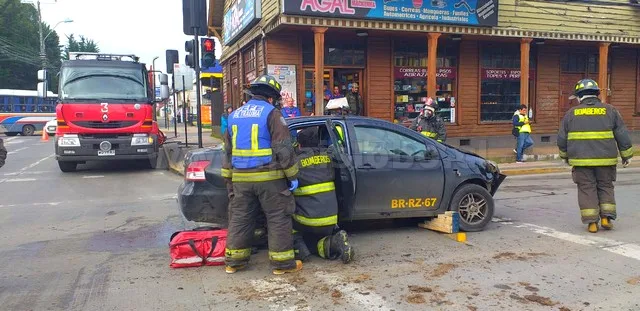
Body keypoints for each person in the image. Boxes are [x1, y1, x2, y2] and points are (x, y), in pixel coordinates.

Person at [221, 74, 302, 275]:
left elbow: (227, 152)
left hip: (240, 179)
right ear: (271, 97)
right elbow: (283, 149)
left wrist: (229, 180)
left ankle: (234, 262)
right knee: (278, 218)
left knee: (240, 217)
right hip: (270, 179)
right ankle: (282, 265)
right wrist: (292, 176)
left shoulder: (234, 116)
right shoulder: (272, 114)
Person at [557, 78, 633, 233]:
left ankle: (592, 223)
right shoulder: (610, 110)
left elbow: (562, 138)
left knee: (586, 189)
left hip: (581, 161)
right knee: (605, 186)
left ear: (579, 96)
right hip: (606, 160)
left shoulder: (571, 114)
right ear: (597, 94)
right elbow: (622, 135)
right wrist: (626, 156)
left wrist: (564, 156)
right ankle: (606, 218)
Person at [292, 127, 354, 264]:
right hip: (331, 219)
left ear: (300, 144)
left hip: (308, 220)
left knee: (282, 221)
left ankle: (301, 251)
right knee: (316, 241)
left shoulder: (296, 162)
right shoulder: (328, 157)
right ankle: (335, 242)